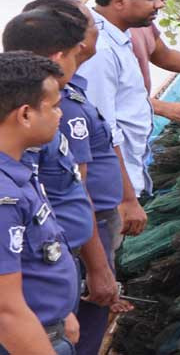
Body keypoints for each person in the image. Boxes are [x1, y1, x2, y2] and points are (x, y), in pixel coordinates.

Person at [20, 0, 147, 355]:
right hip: (64, 257)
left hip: (65, 264)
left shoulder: (65, 96)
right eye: (89, 27)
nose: (92, 36)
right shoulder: (53, 114)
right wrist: (96, 269)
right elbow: (76, 190)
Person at [0, 51, 80, 355]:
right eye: (54, 107)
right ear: (25, 114)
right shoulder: (3, 197)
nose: (60, 115)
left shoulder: (17, 171)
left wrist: (60, 311)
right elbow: (6, 315)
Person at [76, 0, 164, 199]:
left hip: (128, 174)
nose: (159, 5)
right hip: (111, 189)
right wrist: (126, 198)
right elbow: (102, 130)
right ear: (120, 0)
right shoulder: (101, 50)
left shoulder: (120, 36)